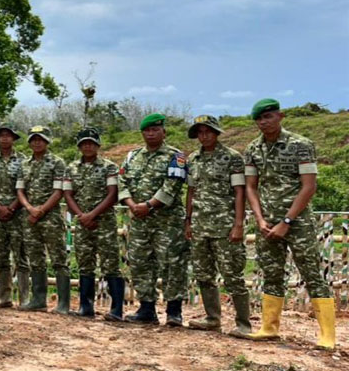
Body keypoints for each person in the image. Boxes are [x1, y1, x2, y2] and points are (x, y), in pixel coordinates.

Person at [244, 99, 336, 349]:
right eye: (259, 119)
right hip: (266, 222)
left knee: (312, 273)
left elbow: (309, 187)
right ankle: (269, 328)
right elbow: (251, 187)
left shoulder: (300, 145)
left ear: (280, 116)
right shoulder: (253, 148)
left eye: (268, 117)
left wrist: (287, 220)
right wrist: (260, 219)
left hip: (298, 222)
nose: (263, 122)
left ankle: (327, 335)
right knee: (271, 273)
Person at [118, 113, 189, 326]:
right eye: (147, 130)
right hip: (139, 221)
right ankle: (146, 308)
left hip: (167, 222)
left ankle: (174, 311)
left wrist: (149, 205)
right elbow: (122, 182)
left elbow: (172, 186)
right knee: (140, 263)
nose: (151, 134)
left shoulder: (176, 157)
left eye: (155, 130)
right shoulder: (132, 156)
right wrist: (132, 204)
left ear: (164, 132)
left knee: (172, 263)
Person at [184, 115, 251, 337]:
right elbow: (191, 192)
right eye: (200, 132)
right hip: (200, 225)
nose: (204, 136)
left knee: (233, 275)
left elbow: (239, 192)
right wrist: (188, 220)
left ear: (217, 133)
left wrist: (238, 224)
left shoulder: (232, 158)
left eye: (208, 132)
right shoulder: (193, 159)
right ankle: (213, 318)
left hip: (225, 225)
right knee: (204, 274)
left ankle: (243, 323)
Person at [64, 127, 123, 319]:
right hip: (82, 223)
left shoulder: (109, 167)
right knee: (85, 263)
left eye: (91, 143)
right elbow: (68, 194)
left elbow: (113, 194)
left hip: (104, 223)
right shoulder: (71, 168)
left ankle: (116, 309)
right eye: (84, 143)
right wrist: (82, 215)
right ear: (79, 146)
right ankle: (85, 307)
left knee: (111, 264)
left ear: (98, 145)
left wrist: (93, 215)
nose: (88, 146)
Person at [17, 125, 71, 314]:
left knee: (58, 259)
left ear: (47, 141)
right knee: (35, 258)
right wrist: (30, 208)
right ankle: (38, 299)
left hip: (51, 218)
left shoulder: (57, 163)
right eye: (33, 139)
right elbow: (20, 190)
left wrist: (41, 210)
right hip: (30, 218)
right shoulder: (24, 164)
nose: (37, 142)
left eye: (40, 139)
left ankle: (63, 303)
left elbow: (59, 191)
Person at [0, 123, 28, 309]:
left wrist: (12, 207)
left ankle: (25, 298)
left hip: (18, 213)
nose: (4, 138)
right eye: (1, 135)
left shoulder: (24, 160)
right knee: (1, 255)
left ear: (13, 138)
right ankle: (4, 297)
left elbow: (26, 187)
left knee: (21, 256)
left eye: (8, 135)